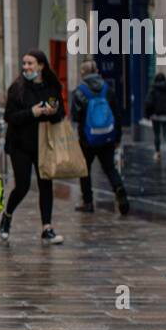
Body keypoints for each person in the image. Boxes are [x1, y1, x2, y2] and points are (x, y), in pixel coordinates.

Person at [0, 49, 65, 245]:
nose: (26, 67)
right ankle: (7, 215)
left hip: (44, 144)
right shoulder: (17, 88)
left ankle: (47, 228)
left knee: (46, 184)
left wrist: (53, 112)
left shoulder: (52, 87)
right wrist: (32, 113)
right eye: (25, 64)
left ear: (41, 65)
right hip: (20, 144)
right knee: (22, 186)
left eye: (30, 63)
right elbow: (9, 117)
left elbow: (60, 115)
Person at [70, 60, 129, 215]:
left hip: (87, 139)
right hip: (107, 136)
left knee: (85, 170)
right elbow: (116, 114)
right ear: (97, 71)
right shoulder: (107, 89)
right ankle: (119, 188)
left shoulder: (80, 91)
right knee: (110, 168)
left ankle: (88, 202)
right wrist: (117, 137)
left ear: (82, 73)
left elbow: (75, 117)